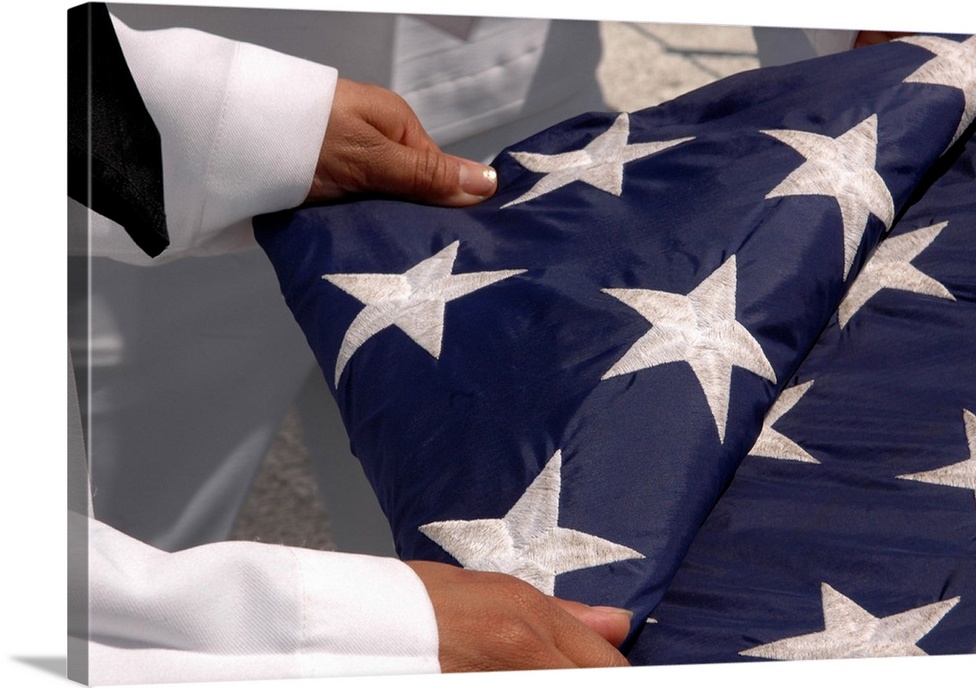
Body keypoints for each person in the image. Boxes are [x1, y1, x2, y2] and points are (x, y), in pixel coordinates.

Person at [68, 4, 630, 683]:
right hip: (156, 149)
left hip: (520, 98)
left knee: (524, 564)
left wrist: (239, 118)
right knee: (130, 515)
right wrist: (213, 121)